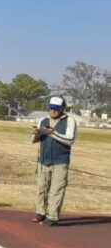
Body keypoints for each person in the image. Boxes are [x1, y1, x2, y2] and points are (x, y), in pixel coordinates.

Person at [30, 96, 77, 226]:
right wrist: (36, 134)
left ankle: (52, 217)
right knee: (42, 188)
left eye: (56, 109)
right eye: (51, 108)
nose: (53, 111)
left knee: (56, 190)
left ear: (62, 109)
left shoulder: (69, 121)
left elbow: (70, 140)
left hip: (60, 161)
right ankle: (41, 212)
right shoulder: (43, 120)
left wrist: (53, 134)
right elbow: (32, 140)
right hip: (43, 161)